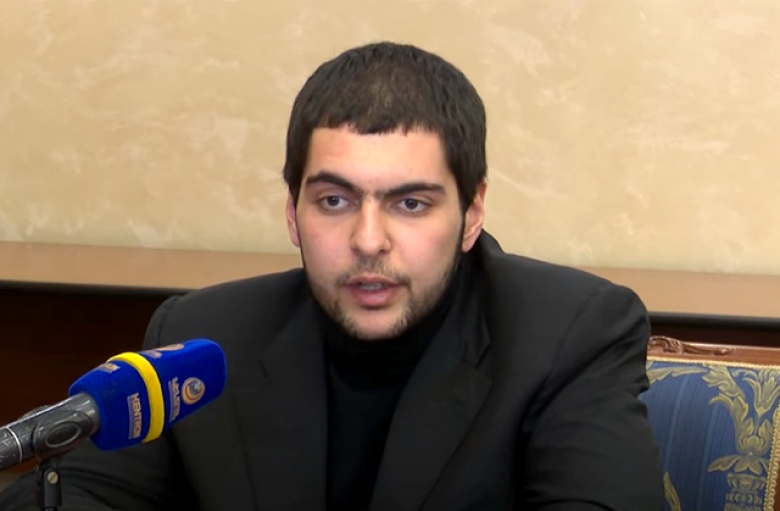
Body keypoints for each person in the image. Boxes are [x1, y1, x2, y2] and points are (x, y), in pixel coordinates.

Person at [0, 41, 663, 511]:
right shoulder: (206, 334)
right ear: (293, 213)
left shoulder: (570, 334)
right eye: (335, 200)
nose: (368, 241)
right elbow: (89, 493)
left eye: (411, 203)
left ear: (471, 213)